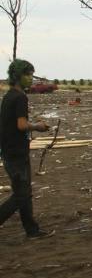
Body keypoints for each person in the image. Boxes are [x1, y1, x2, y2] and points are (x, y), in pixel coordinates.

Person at [0, 59, 51, 238]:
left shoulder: (8, 97)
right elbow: (21, 125)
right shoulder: (20, 97)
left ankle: (32, 229)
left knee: (23, 192)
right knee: (22, 194)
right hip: (16, 152)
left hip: (9, 150)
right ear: (18, 76)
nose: (30, 79)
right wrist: (38, 127)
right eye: (27, 75)